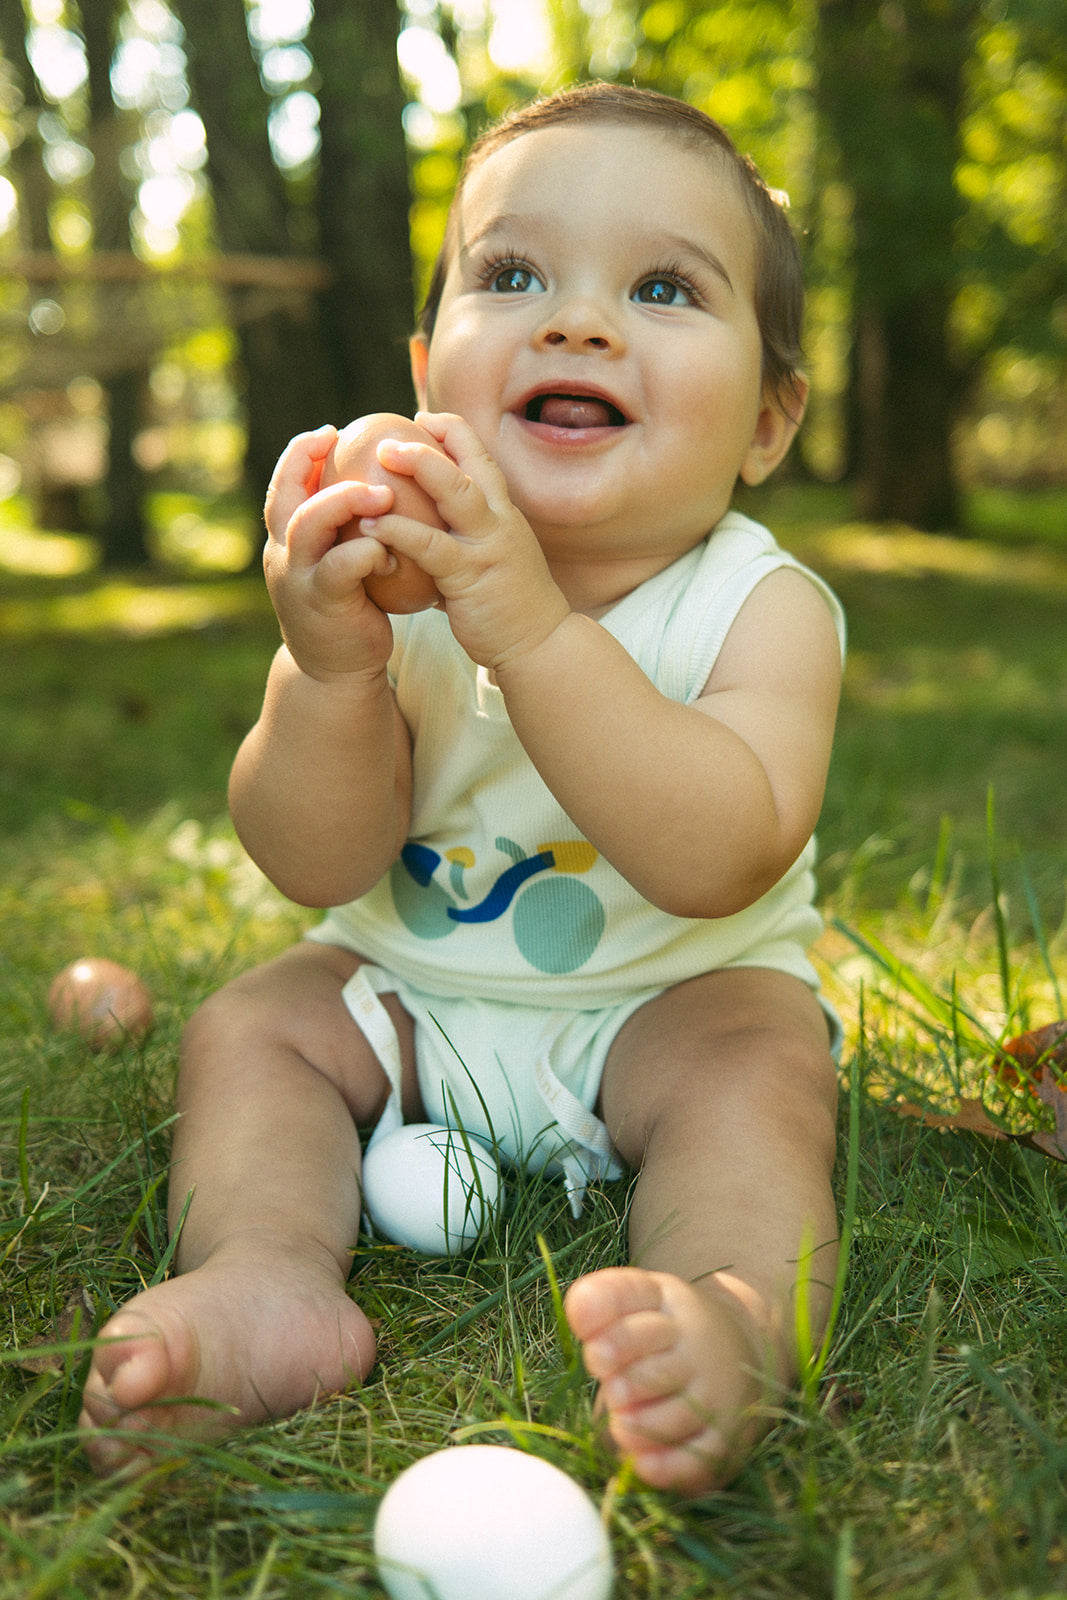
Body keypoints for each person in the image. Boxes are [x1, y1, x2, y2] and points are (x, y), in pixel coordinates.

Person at [80, 81, 845, 1497]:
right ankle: (265, 1275)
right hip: (404, 999)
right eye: (514, 275)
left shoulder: (760, 607)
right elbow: (315, 861)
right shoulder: (397, 576)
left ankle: (730, 1318)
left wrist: (533, 631)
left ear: (768, 421)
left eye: (665, 286)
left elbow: (718, 855)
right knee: (258, 1025)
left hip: (667, 1003)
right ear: (432, 372)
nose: (578, 321)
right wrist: (328, 669)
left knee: (763, 1075)